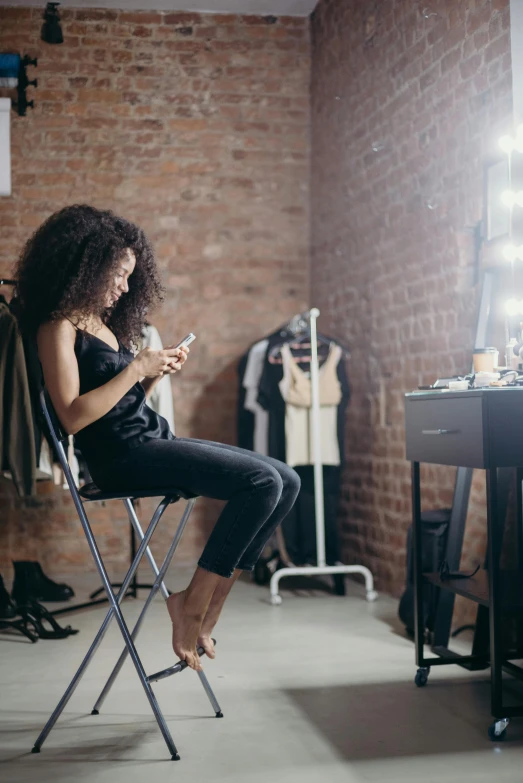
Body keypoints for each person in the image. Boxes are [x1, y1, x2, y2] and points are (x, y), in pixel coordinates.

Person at [14, 204, 301, 672]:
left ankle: (208, 606)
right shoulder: (57, 326)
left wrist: (151, 377)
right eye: (118, 274)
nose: (125, 286)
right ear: (86, 268)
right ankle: (190, 604)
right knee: (262, 483)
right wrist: (136, 368)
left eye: (129, 275)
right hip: (121, 459)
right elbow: (71, 417)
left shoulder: (102, 323)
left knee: (285, 479)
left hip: (147, 439)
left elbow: (120, 403)